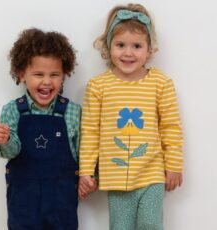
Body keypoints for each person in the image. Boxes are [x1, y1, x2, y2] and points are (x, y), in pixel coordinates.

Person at [78, 3, 184, 230]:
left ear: (149, 49)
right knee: (120, 227)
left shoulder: (161, 83)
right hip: (116, 174)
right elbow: (90, 131)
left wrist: (174, 164)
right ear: (109, 46)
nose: (128, 52)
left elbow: (171, 126)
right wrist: (86, 170)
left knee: (150, 224)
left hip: (152, 172)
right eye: (120, 45)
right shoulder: (98, 86)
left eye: (137, 45)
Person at [0, 28, 82, 230]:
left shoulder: (73, 112)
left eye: (54, 74)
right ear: (22, 73)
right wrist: (4, 141)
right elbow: (11, 151)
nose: (47, 81)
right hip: (23, 201)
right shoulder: (13, 110)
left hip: (62, 202)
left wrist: (89, 176)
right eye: (38, 74)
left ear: (64, 75)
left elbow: (84, 150)